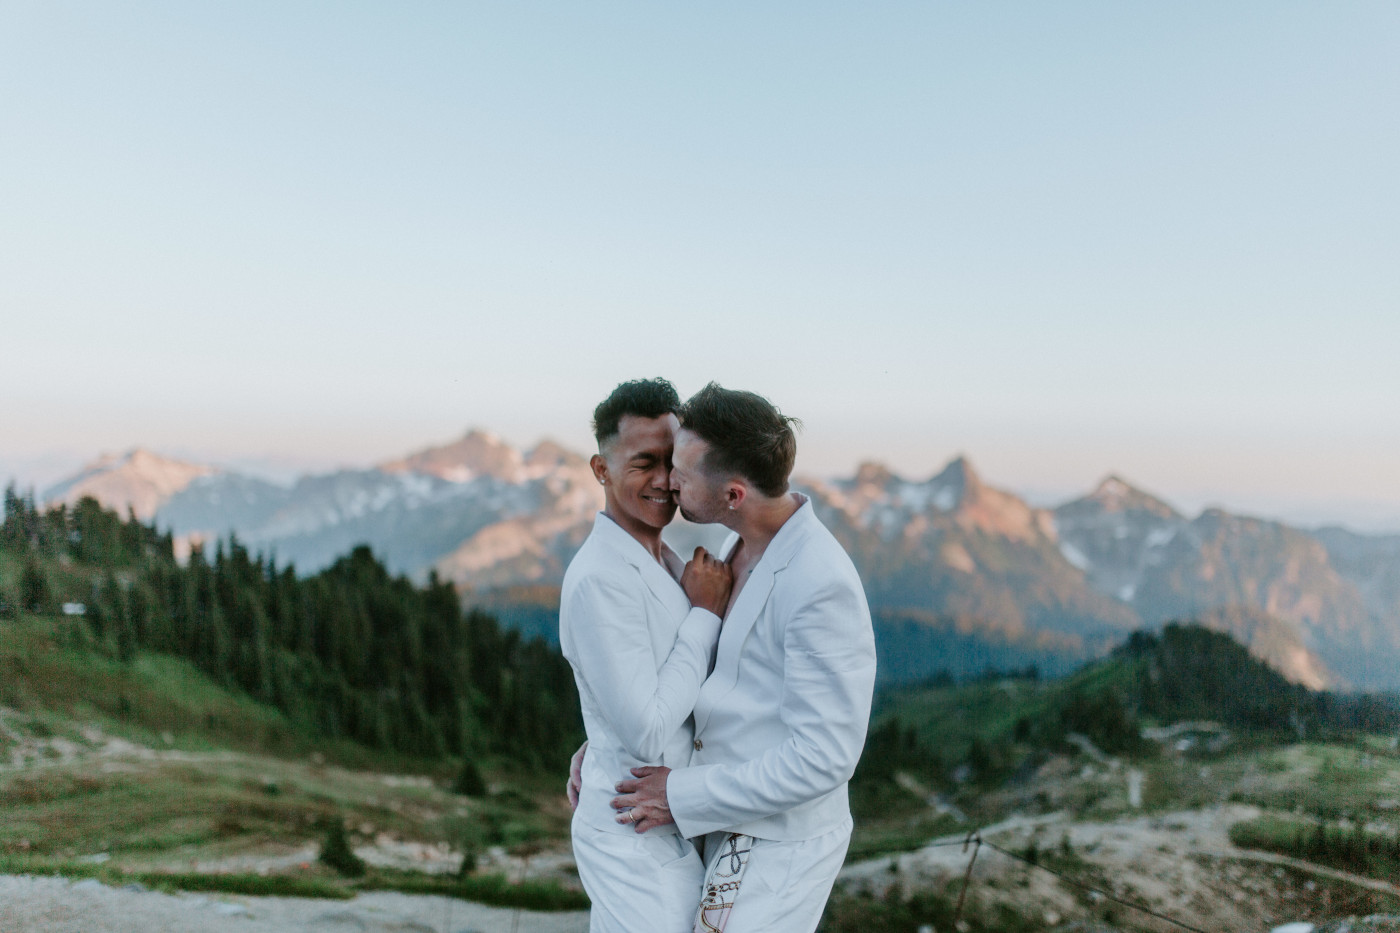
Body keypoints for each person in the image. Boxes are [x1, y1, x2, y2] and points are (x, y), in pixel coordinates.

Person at [608, 382, 877, 933]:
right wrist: (606, 741)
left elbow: (825, 757)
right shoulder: (738, 545)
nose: (669, 480)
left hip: (776, 842)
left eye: (682, 471)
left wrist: (681, 795)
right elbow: (716, 683)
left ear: (733, 495)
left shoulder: (819, 582)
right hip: (720, 823)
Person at [560, 378, 733, 933]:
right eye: (643, 464)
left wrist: (598, 739)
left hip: (662, 827)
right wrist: (705, 615)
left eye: (671, 462)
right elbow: (647, 731)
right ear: (601, 469)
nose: (663, 481)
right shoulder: (600, 579)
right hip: (632, 839)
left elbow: (636, 693)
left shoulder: (661, 557)